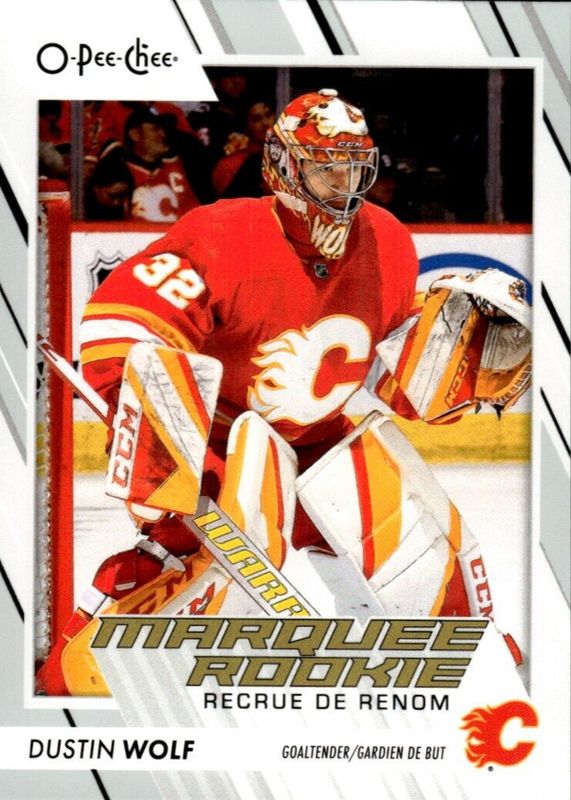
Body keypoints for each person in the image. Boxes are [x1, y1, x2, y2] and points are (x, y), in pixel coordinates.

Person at [37, 89, 530, 694]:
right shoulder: (225, 233)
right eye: (327, 169)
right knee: (194, 566)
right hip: (221, 448)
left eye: (355, 169)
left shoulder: (388, 241)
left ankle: (461, 650)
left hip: (323, 443)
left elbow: (382, 369)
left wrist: (452, 370)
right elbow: (125, 320)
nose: (345, 185)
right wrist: (157, 439)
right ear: (284, 168)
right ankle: (75, 676)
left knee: (425, 542)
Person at [122, 108, 201, 222]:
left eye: (163, 129)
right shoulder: (120, 173)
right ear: (135, 135)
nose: (163, 134)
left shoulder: (176, 170)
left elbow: (194, 214)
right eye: (155, 129)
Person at [212, 99, 275, 198]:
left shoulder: (286, 154)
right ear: (246, 126)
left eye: (268, 115)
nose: (265, 123)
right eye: (256, 119)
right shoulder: (229, 165)